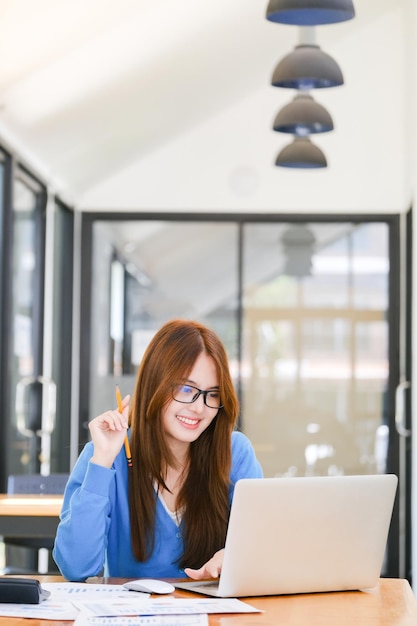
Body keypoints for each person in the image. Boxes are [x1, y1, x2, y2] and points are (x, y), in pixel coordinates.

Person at [53, 319, 263, 582]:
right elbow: (76, 567)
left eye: (212, 394)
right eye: (186, 389)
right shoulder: (107, 456)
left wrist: (231, 555)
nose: (199, 408)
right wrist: (103, 462)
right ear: (155, 384)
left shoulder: (235, 452)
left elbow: (262, 545)